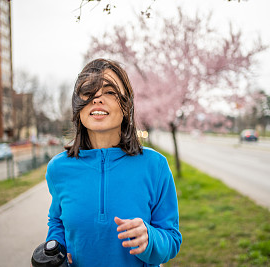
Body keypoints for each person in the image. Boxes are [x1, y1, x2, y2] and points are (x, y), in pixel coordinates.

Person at [45, 58, 182, 266]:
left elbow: (171, 239)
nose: (97, 99)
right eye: (89, 92)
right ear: (78, 107)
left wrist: (150, 239)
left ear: (126, 106)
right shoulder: (58, 168)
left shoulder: (156, 166)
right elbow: (57, 221)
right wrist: (55, 251)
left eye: (109, 92)